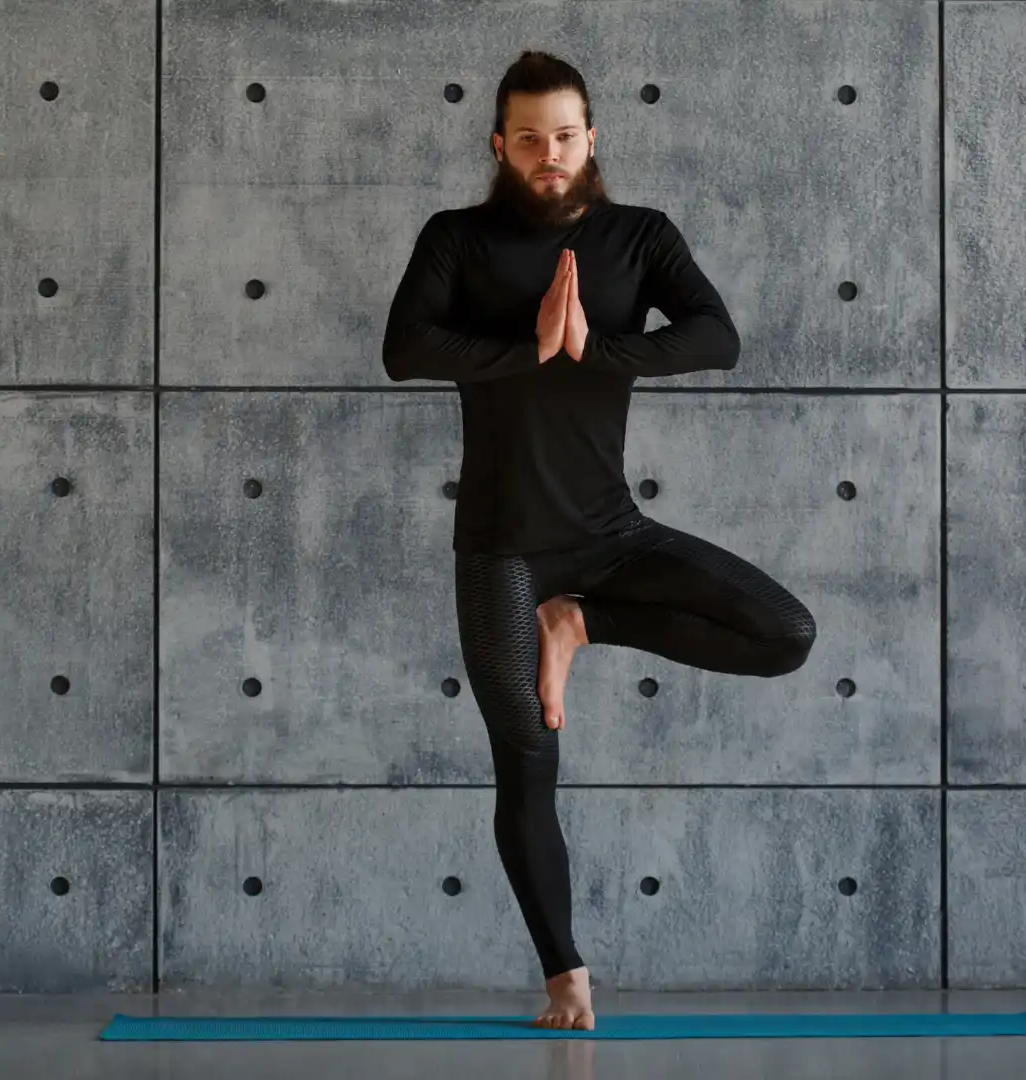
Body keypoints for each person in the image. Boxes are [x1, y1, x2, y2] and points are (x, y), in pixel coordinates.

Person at [380, 50, 817, 1031]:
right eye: (528, 139)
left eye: (565, 137)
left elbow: (717, 336)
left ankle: (582, 621)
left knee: (786, 634)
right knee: (528, 763)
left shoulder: (638, 237)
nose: (549, 156)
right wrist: (520, 351)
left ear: (592, 138)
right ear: (499, 144)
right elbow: (404, 348)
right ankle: (564, 975)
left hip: (610, 533)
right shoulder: (458, 239)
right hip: (501, 546)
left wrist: (595, 350)